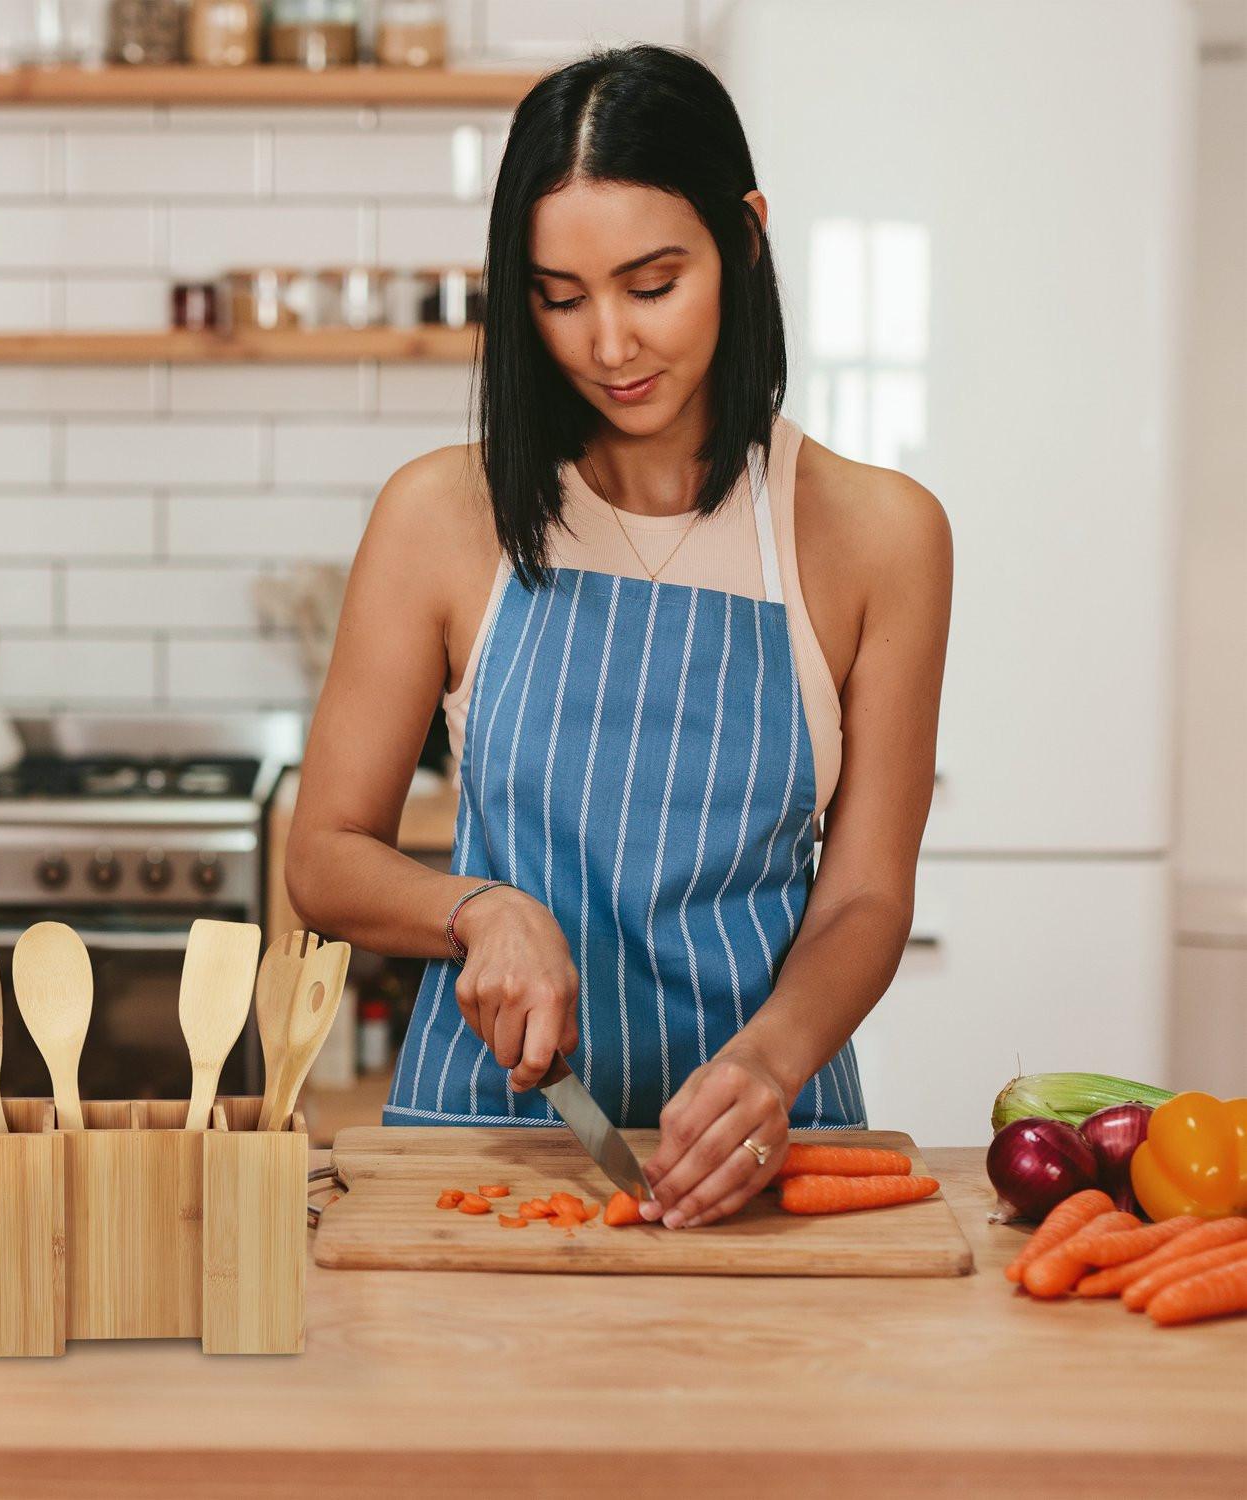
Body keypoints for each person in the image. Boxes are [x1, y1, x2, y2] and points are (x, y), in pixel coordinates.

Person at [285, 44, 952, 1230]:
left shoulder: (879, 536)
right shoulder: (440, 515)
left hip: (770, 1154)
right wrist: (476, 908)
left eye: (652, 286)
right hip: (481, 1155)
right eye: (558, 296)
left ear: (743, 237)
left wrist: (769, 1065)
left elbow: (863, 898)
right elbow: (326, 854)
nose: (608, 344)